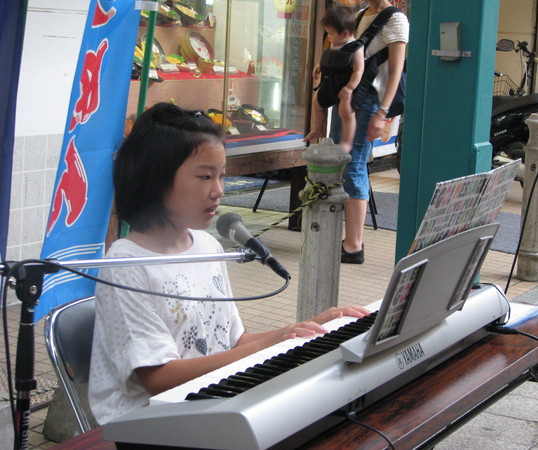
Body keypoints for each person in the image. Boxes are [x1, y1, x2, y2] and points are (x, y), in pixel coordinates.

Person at [88, 103, 369, 425]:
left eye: (222, 176)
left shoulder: (206, 246)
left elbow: (232, 341)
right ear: (156, 178)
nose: (218, 191)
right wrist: (274, 340)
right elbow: (160, 377)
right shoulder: (127, 264)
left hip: (211, 403)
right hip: (150, 423)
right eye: (205, 176)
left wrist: (308, 329)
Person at [331, 1, 408, 264]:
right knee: (342, 160)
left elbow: (396, 70)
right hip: (352, 98)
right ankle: (348, 239)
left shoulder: (395, 19)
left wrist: (382, 113)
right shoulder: (363, 14)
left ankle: (353, 245)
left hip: (371, 100)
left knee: (354, 164)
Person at [304, 5, 365, 153]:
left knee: (347, 112)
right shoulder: (334, 44)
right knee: (317, 103)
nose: (329, 37)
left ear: (345, 33)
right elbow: (328, 59)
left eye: (331, 34)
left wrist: (350, 88)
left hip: (343, 88)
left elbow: (358, 70)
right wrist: (319, 66)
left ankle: (347, 141)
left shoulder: (355, 47)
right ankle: (318, 129)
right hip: (328, 84)